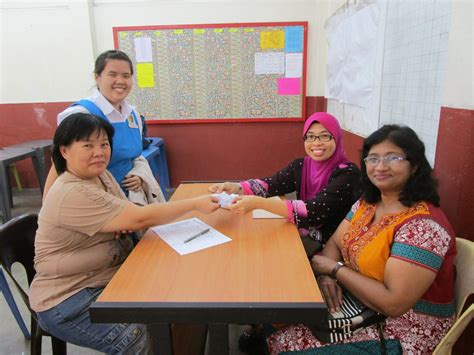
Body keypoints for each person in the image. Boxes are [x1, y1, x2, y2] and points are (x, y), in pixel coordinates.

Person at [30, 113, 220, 354]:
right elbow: (139, 218)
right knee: (141, 339)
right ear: (64, 151)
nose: (99, 152)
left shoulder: (100, 175)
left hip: (106, 276)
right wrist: (195, 204)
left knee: (184, 297)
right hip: (68, 299)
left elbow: (130, 219)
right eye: (88, 145)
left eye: (104, 144)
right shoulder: (71, 191)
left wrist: (126, 220)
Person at [266, 125, 457, 354]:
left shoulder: (424, 226)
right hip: (358, 305)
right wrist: (327, 277)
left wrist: (334, 270)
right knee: (276, 320)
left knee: (285, 342)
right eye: (372, 158)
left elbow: (393, 303)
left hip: (402, 331)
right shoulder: (367, 204)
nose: (380, 166)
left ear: (414, 165)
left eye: (393, 158)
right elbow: (335, 243)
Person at [209, 112, 360, 256]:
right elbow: (272, 184)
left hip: (329, 246)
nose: (317, 143)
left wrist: (260, 203)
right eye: (310, 137)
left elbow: (314, 212)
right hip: (300, 232)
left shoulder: (347, 173)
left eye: (325, 136)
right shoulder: (301, 165)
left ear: (337, 138)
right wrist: (237, 187)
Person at [44, 49, 165, 203]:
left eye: (126, 76)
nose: (120, 81)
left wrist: (139, 175)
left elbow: (135, 157)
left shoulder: (132, 114)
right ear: (97, 77)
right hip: (93, 201)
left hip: (130, 200)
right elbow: (59, 164)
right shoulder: (80, 113)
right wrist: (47, 206)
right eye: (112, 74)